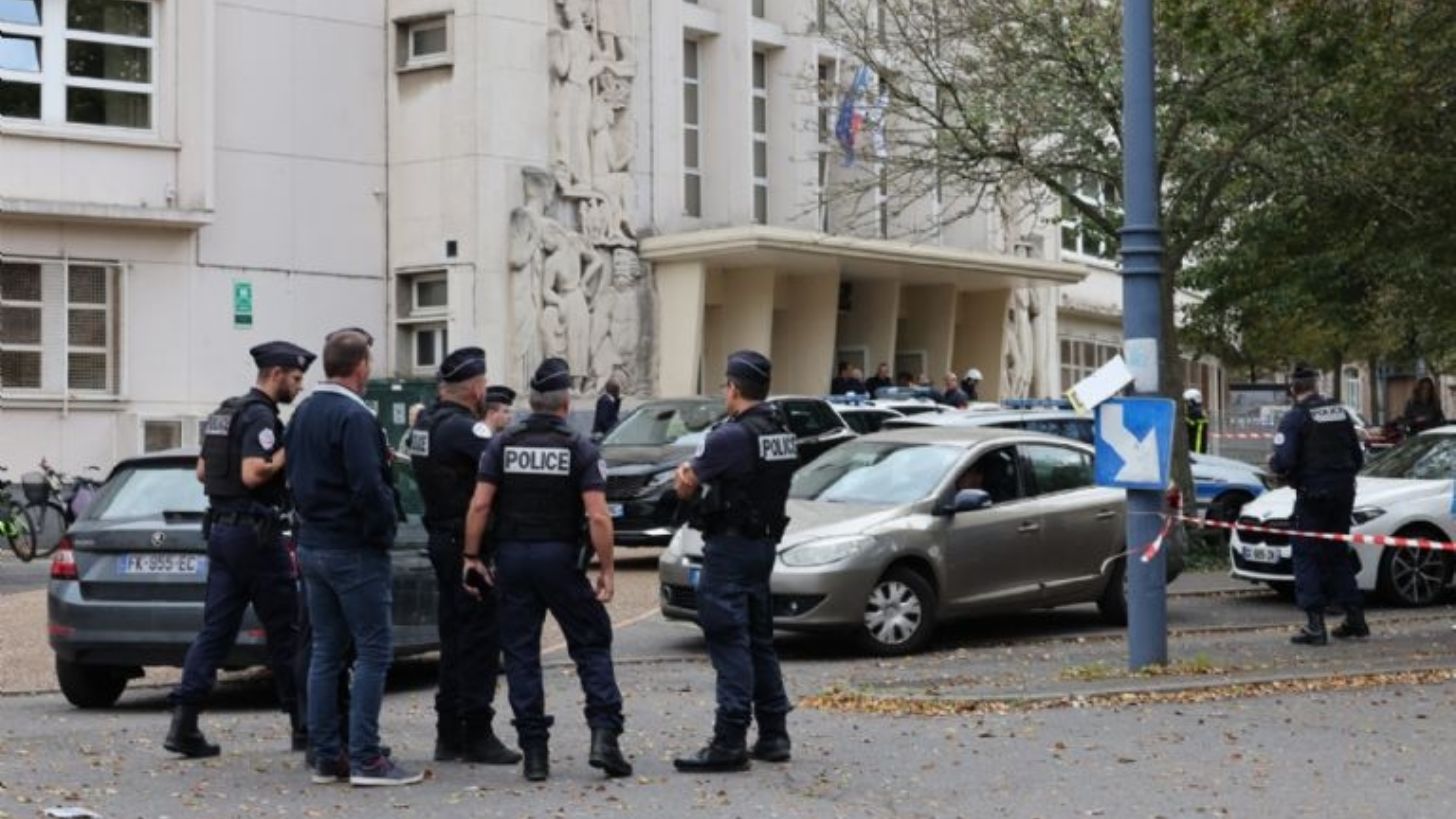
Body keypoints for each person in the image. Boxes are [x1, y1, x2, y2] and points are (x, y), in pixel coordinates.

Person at [462, 357, 632, 783]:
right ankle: (605, 738)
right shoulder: (579, 447)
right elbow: (598, 516)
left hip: (513, 559)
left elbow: (480, 505)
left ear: (533, 402)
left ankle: (535, 753)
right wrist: (607, 568)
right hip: (560, 559)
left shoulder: (502, 443)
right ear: (566, 404)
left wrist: (471, 556)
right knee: (591, 643)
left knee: (521, 653)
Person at [286, 328, 423, 787]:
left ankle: (327, 755)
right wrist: (382, 531)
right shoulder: (355, 416)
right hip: (353, 546)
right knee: (373, 651)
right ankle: (367, 757)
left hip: (313, 542)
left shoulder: (303, 411)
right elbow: (368, 485)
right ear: (361, 365)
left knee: (326, 651)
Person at [164, 341, 314, 759]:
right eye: (296, 378)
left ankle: (184, 723)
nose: (299, 386)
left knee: (215, 631)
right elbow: (253, 473)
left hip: (222, 532)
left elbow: (202, 471)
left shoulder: (225, 412)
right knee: (286, 631)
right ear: (276, 374)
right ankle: (303, 726)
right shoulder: (261, 416)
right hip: (257, 537)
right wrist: (288, 450)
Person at [672, 350, 796, 774]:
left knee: (728, 639)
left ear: (734, 388)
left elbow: (687, 483)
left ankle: (729, 740)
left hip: (730, 546)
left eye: (726, 386)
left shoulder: (730, 436)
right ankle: (774, 733)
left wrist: (684, 477)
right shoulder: (780, 431)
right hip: (763, 545)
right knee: (759, 638)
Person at [405, 347, 521, 766]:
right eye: (483, 384)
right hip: (467, 545)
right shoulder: (466, 430)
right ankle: (476, 731)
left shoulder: (425, 424)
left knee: (454, 638)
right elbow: (504, 473)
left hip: (441, 537)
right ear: (475, 388)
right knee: (478, 640)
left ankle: (449, 732)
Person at [1268, 364, 1366, 646]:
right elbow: (1358, 458)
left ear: (1292, 389)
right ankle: (1355, 618)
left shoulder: (1295, 418)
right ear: (1316, 385)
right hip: (1343, 493)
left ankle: (1315, 625)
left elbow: (1284, 461)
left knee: (1306, 555)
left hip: (1313, 496)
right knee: (1337, 553)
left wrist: (1274, 464)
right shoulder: (1340, 413)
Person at [1183, 388, 1210, 454]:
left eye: (1187, 402)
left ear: (1191, 402)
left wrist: (1183, 418)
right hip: (1198, 446)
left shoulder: (1195, 412)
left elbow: (1192, 424)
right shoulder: (1199, 411)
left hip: (1196, 447)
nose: (1186, 404)